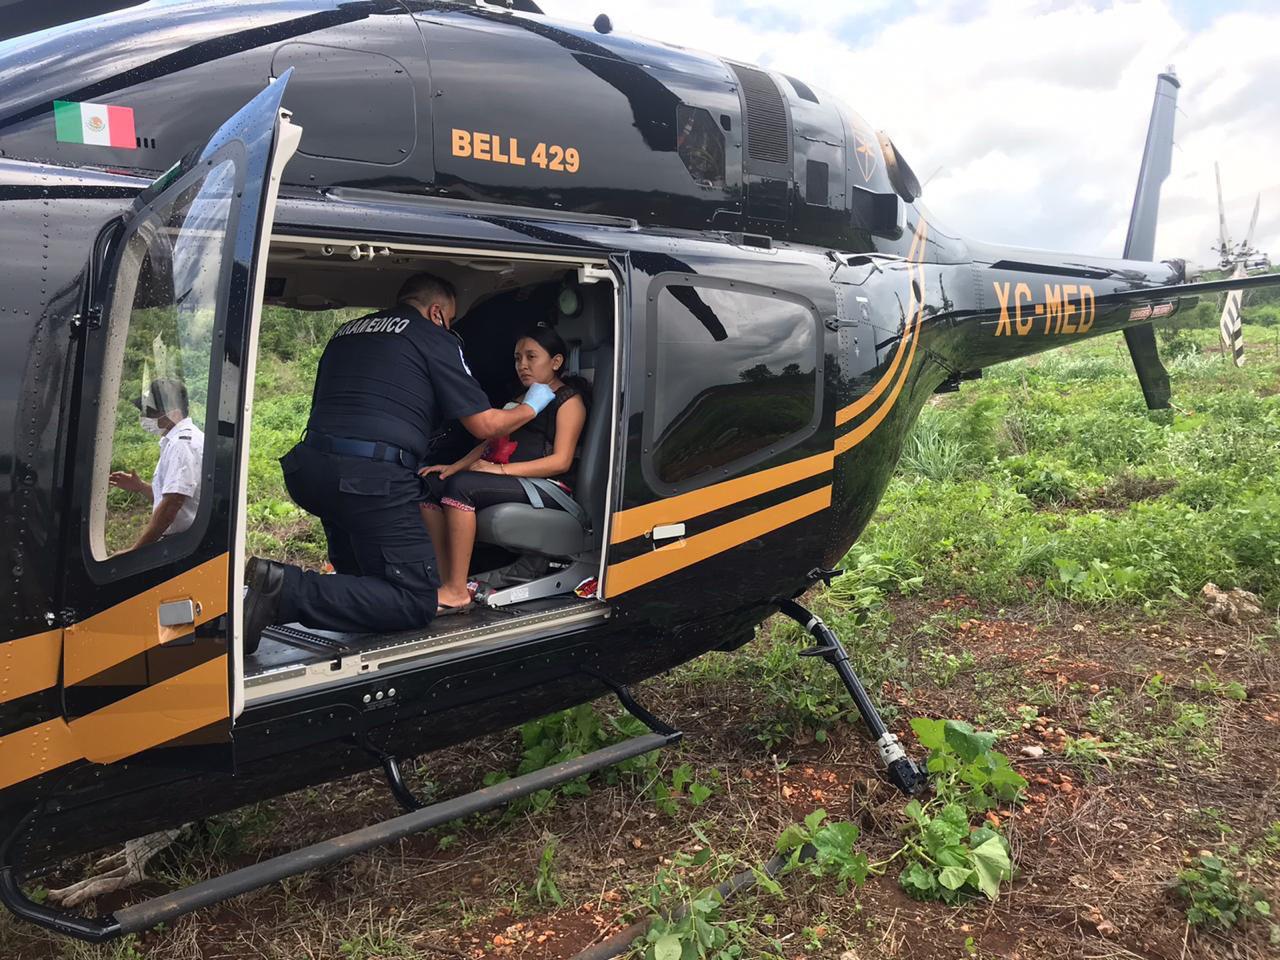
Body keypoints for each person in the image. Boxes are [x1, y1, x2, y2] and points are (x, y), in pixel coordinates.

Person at [242, 273, 557, 652]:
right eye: (452, 319)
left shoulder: (349, 331)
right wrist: (530, 405)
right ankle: (281, 591)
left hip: (311, 471)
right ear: (438, 312)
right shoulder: (432, 336)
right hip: (368, 479)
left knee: (363, 579)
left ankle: (273, 600)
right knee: (413, 600)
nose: (450, 326)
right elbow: (485, 424)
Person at [419, 325, 590, 612]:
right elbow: (489, 444)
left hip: (546, 486)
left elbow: (561, 461)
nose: (522, 365)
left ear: (556, 362)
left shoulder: (569, 401)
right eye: (517, 358)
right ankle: (443, 578)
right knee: (431, 483)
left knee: (462, 488)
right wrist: (452, 467)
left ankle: (456, 590)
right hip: (512, 479)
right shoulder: (522, 400)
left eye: (531, 357)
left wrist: (496, 472)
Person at [108, 378, 203, 551]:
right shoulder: (176, 440)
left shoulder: (182, 444)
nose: (144, 417)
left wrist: (135, 551)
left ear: (173, 414)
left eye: (150, 412)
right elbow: (170, 496)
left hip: (180, 545)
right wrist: (140, 487)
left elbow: (172, 505)